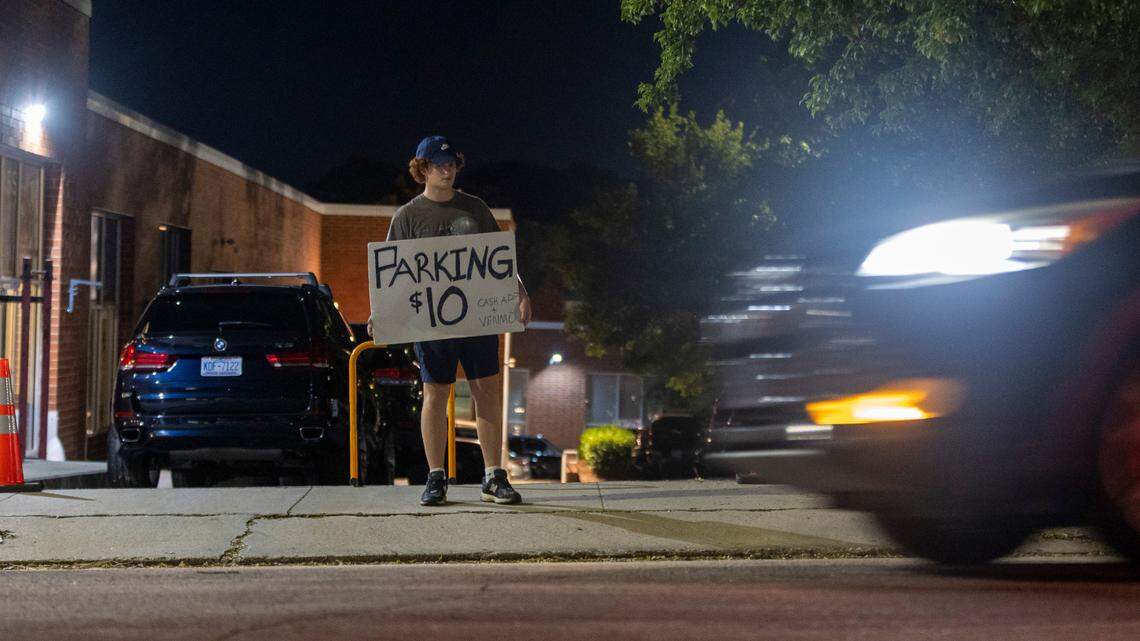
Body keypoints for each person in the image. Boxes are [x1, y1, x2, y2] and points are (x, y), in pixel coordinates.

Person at [369, 135, 531, 506]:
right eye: (438, 163)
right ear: (422, 168)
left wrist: (521, 291)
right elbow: (391, 275)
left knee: (485, 393)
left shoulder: (476, 209)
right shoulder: (407, 217)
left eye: (451, 162)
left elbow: (500, 260)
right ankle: (436, 477)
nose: (446, 168)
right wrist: (381, 313)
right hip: (433, 324)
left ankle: (493, 476)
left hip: (477, 321)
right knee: (435, 394)